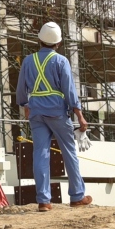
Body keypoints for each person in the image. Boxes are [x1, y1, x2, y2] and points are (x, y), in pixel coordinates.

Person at [16, 21, 91, 210]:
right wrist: (80, 115)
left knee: (40, 154)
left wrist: (26, 105)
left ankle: (43, 200)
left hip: (36, 112)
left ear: (39, 40)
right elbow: (69, 91)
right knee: (69, 153)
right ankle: (77, 196)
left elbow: (20, 90)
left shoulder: (28, 60)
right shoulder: (61, 61)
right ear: (58, 43)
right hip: (57, 112)